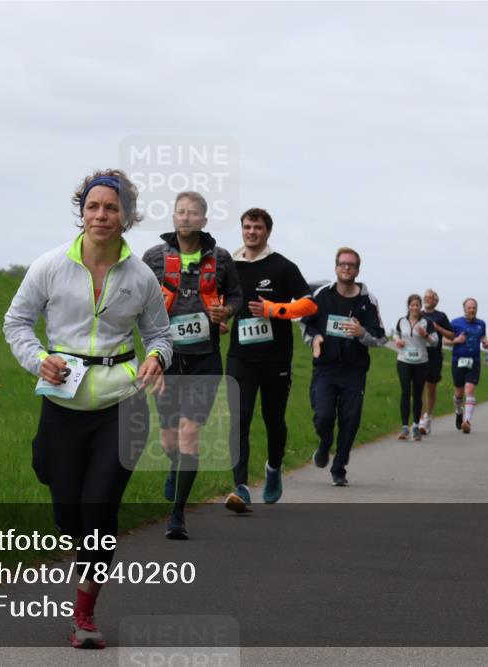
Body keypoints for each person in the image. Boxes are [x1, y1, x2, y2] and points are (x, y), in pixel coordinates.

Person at [3, 169, 172, 649]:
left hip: (121, 402)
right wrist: (39, 360)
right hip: (61, 400)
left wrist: (157, 357)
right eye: (93, 206)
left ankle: (84, 616)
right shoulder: (50, 266)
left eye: (111, 207)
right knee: (68, 510)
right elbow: (16, 322)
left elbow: (159, 335)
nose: (101, 215)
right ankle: (68, 512)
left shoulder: (141, 276)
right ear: (82, 211)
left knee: (99, 511)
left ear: (127, 216)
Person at [143, 191, 242, 539]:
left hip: (205, 360)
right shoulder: (154, 257)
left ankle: (177, 514)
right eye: (180, 212)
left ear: (204, 220)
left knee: (189, 433)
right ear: (173, 217)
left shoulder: (222, 258)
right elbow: (140, 301)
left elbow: (237, 297)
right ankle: (174, 468)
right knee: (169, 438)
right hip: (168, 359)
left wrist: (226, 311)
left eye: (193, 213)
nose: (185, 217)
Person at [222, 208, 316, 512]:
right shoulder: (229, 265)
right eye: (247, 226)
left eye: (258, 227)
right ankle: (240, 487)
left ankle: (274, 469)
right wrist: (220, 320)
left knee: (274, 419)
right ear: (242, 230)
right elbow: (219, 302)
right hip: (240, 356)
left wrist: (276, 310)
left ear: (267, 232)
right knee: (240, 417)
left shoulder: (282, 267)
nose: (252, 232)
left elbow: (309, 304)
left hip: (276, 358)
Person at [301, 247, 387, 486]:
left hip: (354, 370)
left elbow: (380, 337)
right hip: (325, 368)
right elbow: (306, 324)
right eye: (342, 264)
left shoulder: (367, 301)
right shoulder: (321, 295)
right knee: (324, 416)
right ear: (336, 267)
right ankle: (325, 443)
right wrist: (315, 339)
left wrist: (361, 333)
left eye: (351, 265)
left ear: (358, 270)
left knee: (350, 420)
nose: (346, 268)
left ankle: (339, 468)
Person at [393, 294, 439, 442]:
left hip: (421, 362)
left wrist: (426, 336)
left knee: (417, 394)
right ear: (408, 306)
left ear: (421, 307)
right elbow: (396, 334)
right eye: (412, 305)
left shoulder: (427, 322)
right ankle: (404, 428)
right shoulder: (402, 321)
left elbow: (435, 342)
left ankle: (415, 426)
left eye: (417, 305)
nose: (414, 307)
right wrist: (397, 340)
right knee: (405, 392)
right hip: (404, 360)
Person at [449, 298, 488, 434]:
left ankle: (467, 421)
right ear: (464, 309)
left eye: (474, 307)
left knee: (470, 389)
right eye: (469, 308)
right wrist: (457, 340)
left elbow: (483, 336)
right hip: (458, 361)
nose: (472, 310)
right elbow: (445, 340)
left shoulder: (481, 323)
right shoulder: (455, 323)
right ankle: (458, 411)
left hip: (474, 361)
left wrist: (485, 342)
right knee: (459, 393)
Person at [419, 289, 453, 435]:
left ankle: (428, 417)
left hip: (434, 356)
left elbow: (451, 335)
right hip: (419, 356)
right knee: (419, 389)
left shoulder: (441, 316)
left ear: (435, 300)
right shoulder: (418, 314)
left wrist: (438, 328)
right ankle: (419, 420)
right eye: (425, 297)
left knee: (431, 389)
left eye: (430, 297)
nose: (427, 299)